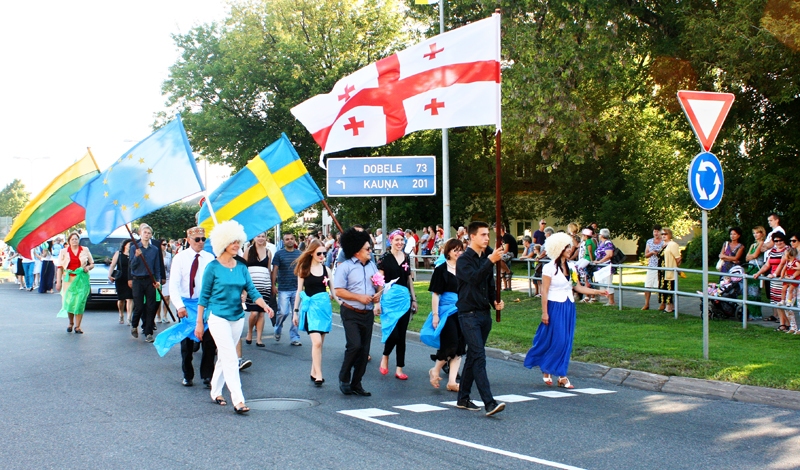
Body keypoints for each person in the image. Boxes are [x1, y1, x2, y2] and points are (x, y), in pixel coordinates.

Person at [195, 221, 272, 414]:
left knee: (224, 355)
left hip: (237, 316)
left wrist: (265, 305)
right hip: (217, 316)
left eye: (238, 242)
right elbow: (203, 297)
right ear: (223, 243)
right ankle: (238, 400)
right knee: (231, 357)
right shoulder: (212, 267)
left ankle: (215, 390)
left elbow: (252, 291)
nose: (237, 245)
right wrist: (199, 322)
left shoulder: (241, 267)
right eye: (233, 242)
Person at [524, 233, 610, 388]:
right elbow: (544, 291)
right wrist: (544, 312)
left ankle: (559, 374)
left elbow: (576, 287)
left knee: (566, 341)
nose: (570, 249)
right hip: (554, 306)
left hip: (568, 306)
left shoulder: (571, 267)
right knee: (559, 340)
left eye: (570, 246)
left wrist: (598, 292)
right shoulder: (548, 268)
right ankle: (555, 371)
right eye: (567, 247)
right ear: (558, 249)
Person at [455, 221, 506, 417]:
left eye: (488, 235)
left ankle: (463, 398)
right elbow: (475, 278)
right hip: (468, 315)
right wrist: (490, 261)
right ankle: (489, 402)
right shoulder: (463, 260)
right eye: (483, 235)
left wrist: (495, 302)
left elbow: (489, 284)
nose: (487, 238)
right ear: (472, 237)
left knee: (474, 356)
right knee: (479, 356)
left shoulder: (486, 257)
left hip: (484, 314)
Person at [334, 227, 381, 397]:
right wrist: (359, 297)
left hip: (367, 313)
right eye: (368, 249)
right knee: (354, 345)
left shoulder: (372, 267)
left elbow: (379, 284)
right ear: (357, 251)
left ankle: (357, 383)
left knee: (364, 350)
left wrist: (378, 294)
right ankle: (344, 378)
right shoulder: (345, 267)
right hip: (350, 312)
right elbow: (338, 291)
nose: (371, 251)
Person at [170, 227, 217, 388]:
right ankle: (187, 374)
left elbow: (215, 281)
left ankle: (207, 375)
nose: (201, 242)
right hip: (187, 304)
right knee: (187, 343)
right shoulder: (180, 258)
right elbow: (174, 284)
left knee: (210, 341)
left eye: (203, 239)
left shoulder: (210, 258)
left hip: (206, 304)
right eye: (197, 239)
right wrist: (179, 306)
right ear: (188, 240)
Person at [425, 238, 466, 392]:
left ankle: (452, 381)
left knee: (461, 346)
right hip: (446, 311)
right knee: (451, 343)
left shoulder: (463, 268)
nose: (458, 253)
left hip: (462, 309)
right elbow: (436, 294)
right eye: (455, 250)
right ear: (448, 251)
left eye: (461, 249)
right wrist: (435, 315)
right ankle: (435, 369)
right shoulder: (441, 269)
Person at [292, 239, 334, 386]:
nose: (322, 255)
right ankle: (319, 374)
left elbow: (334, 293)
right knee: (316, 342)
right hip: (310, 310)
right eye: (319, 253)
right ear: (312, 253)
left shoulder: (326, 270)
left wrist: (344, 304)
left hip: (324, 309)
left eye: (324, 253)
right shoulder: (304, 269)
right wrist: (295, 312)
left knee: (319, 344)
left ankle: (313, 370)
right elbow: (299, 291)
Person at [377, 230, 415, 380]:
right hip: (389, 299)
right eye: (397, 240)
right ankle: (385, 355)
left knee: (402, 336)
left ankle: (399, 368)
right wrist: (377, 300)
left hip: (404, 299)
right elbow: (379, 280)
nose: (400, 242)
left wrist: (414, 299)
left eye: (402, 240)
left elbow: (409, 279)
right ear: (390, 241)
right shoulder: (384, 258)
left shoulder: (406, 257)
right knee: (394, 334)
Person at [128, 224, 165, 343]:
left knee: (151, 306)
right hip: (137, 280)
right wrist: (136, 257)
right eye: (145, 232)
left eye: (149, 233)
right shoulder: (134, 247)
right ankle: (134, 325)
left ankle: (149, 332)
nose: (147, 235)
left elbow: (157, 266)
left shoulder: (154, 249)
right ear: (140, 233)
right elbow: (132, 267)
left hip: (150, 280)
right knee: (139, 306)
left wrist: (158, 280)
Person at [56, 232, 94, 334]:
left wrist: (88, 267)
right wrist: (58, 282)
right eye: (72, 239)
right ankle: (71, 323)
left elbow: (92, 263)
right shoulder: (63, 251)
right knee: (70, 302)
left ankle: (78, 326)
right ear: (69, 241)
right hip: (69, 279)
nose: (74, 241)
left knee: (80, 302)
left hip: (81, 279)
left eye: (76, 239)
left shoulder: (85, 250)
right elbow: (59, 267)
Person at [754, 231, 790, 330]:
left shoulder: (787, 250)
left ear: (784, 240)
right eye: (776, 241)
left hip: (782, 279)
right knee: (776, 302)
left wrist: (775, 274)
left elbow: (783, 265)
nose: (778, 242)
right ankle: (783, 323)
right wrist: (758, 273)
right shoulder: (773, 251)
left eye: (780, 240)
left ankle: (789, 324)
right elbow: (767, 265)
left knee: (783, 302)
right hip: (773, 279)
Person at [272, 233, 302, 346]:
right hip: (283, 288)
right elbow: (275, 270)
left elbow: (302, 270)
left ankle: (294, 337)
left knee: (296, 314)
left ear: (295, 240)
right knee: (283, 312)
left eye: (291, 239)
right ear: (283, 241)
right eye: (287, 239)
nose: (289, 241)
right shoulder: (279, 254)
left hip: (296, 288)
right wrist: (273, 285)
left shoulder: (299, 254)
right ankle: (278, 328)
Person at [243, 232, 272, 347]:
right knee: (254, 313)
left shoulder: (268, 251)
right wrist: (244, 289)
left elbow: (268, 269)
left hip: (264, 286)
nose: (260, 238)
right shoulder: (248, 251)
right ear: (254, 237)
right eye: (258, 236)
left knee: (261, 313)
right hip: (252, 286)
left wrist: (272, 285)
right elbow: (243, 269)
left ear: (265, 238)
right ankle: (250, 332)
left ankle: (259, 339)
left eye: (263, 236)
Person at [108, 239, 133, 324]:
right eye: (128, 244)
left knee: (130, 298)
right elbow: (113, 265)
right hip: (120, 278)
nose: (130, 245)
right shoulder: (118, 254)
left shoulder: (133, 254)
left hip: (130, 278)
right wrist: (110, 275)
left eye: (131, 244)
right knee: (121, 299)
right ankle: (121, 314)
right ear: (124, 245)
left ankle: (129, 317)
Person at [658, 228, 682, 313]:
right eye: (662, 234)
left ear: (670, 235)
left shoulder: (672, 244)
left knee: (669, 288)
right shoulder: (664, 244)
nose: (663, 235)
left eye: (665, 234)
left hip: (669, 271)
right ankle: (670, 306)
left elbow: (678, 258)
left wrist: (675, 267)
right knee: (663, 288)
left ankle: (669, 307)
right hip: (662, 271)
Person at [642, 225, 664, 310]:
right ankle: (646, 304)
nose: (656, 233)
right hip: (651, 266)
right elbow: (646, 255)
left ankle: (663, 303)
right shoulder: (649, 241)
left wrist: (659, 253)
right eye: (654, 231)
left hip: (661, 266)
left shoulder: (663, 242)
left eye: (658, 231)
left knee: (661, 286)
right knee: (648, 285)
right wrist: (651, 252)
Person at [593, 228, 616, 306]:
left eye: (599, 234)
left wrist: (600, 261)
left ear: (602, 235)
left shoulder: (608, 243)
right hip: (601, 267)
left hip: (607, 266)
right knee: (602, 283)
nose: (598, 235)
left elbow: (609, 254)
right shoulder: (600, 243)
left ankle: (611, 301)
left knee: (608, 284)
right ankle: (607, 300)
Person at [498, 225, 518, 291]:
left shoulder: (506, 237)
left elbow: (506, 250)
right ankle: (505, 287)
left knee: (499, 258)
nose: (495, 230)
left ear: (501, 229)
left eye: (496, 228)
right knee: (501, 268)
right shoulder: (501, 237)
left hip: (511, 253)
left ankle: (509, 272)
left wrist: (499, 254)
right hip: (506, 254)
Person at [158, 238, 173, 324]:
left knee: (166, 297)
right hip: (158, 278)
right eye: (163, 244)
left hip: (167, 277)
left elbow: (171, 267)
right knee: (158, 298)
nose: (165, 246)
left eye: (166, 245)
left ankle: (165, 315)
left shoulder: (169, 255)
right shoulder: (156, 254)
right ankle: (158, 316)